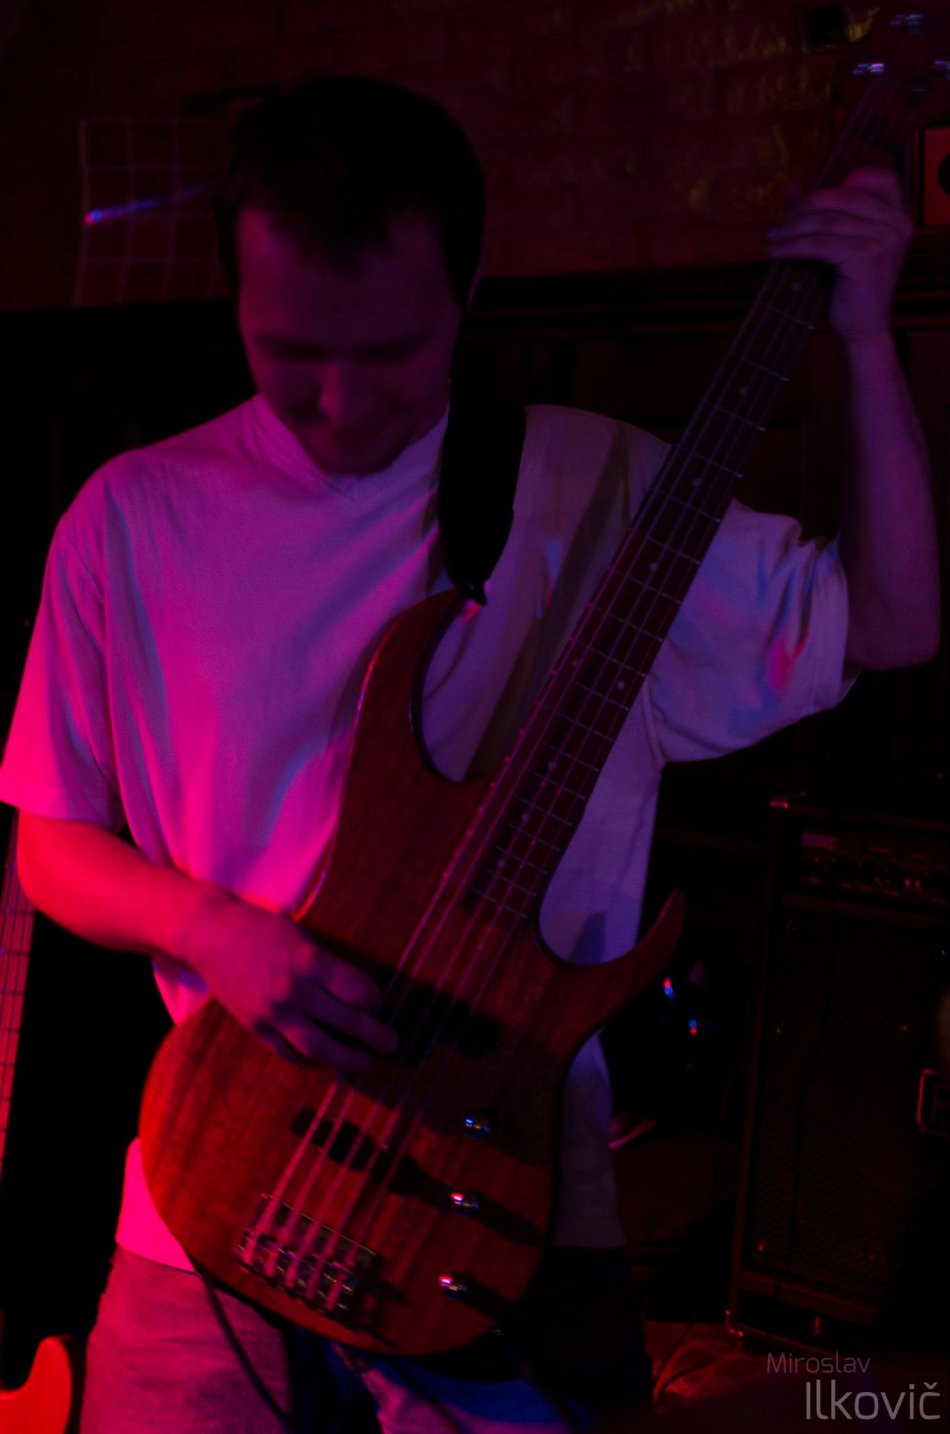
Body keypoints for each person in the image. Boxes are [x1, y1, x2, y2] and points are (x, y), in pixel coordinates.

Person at [0, 73, 939, 1434]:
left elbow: (894, 624)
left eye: (390, 352)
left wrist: (863, 336)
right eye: (290, 350)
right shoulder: (129, 519)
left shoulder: (602, 493)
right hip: (214, 1188)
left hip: (504, 1195)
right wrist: (217, 934)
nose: (339, 402)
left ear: (472, 281)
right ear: (233, 295)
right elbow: (51, 842)